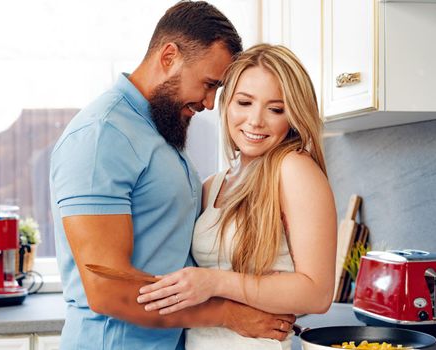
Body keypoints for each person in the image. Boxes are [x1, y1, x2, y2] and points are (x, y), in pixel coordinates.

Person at [50, 3, 296, 350]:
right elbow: (108, 291)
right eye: (209, 85)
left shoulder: (160, 128)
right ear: (169, 56)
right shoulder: (102, 136)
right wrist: (228, 313)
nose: (211, 103)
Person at [136, 44, 338, 350]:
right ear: (226, 103)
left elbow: (317, 293)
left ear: (294, 116)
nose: (255, 121)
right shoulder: (213, 186)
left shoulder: (293, 170)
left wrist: (214, 282)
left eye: (276, 109)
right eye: (244, 102)